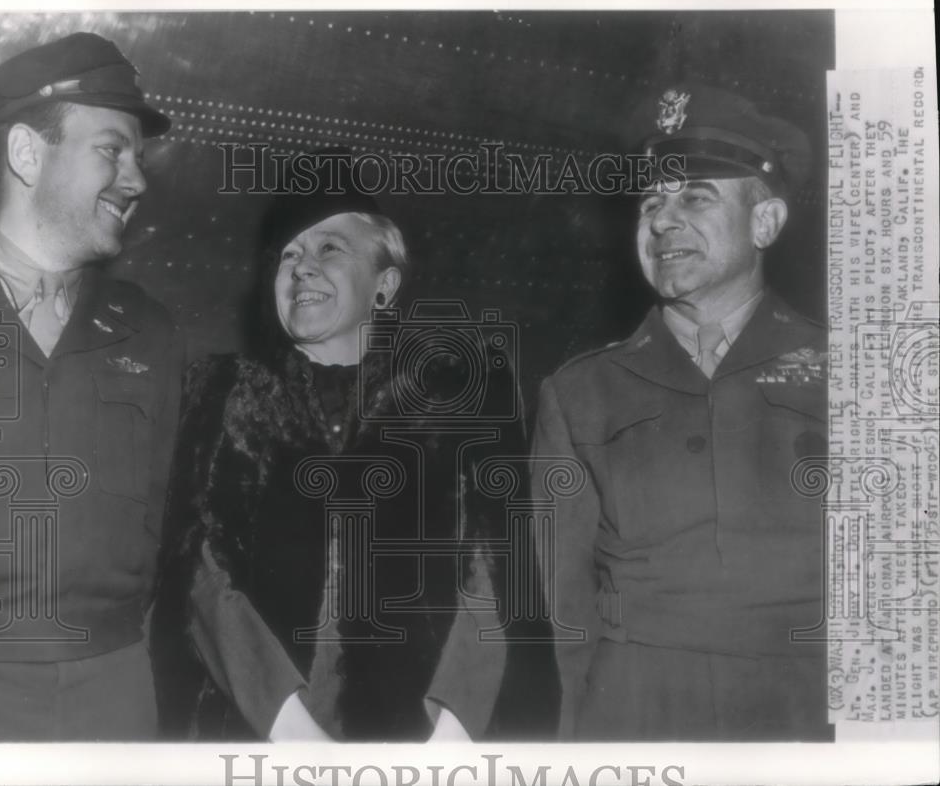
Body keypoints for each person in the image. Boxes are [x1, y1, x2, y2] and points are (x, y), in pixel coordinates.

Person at [151, 155, 558, 741]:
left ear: (385, 284)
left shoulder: (457, 389)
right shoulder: (223, 391)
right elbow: (199, 567)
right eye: (289, 255)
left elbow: (497, 560)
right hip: (261, 736)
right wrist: (294, 737)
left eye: (330, 250)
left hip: (426, 741)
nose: (302, 269)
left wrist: (452, 737)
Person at [533, 84, 833, 740]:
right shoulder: (579, 393)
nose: (663, 221)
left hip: (806, 711)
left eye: (696, 197)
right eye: (651, 203)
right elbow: (565, 610)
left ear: (766, 223)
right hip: (637, 710)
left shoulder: (854, 377)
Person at [0, 32, 182, 741]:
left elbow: (162, 523)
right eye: (112, 150)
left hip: (118, 691)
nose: (137, 180)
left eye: (138, 159)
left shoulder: (149, 330)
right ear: (28, 154)